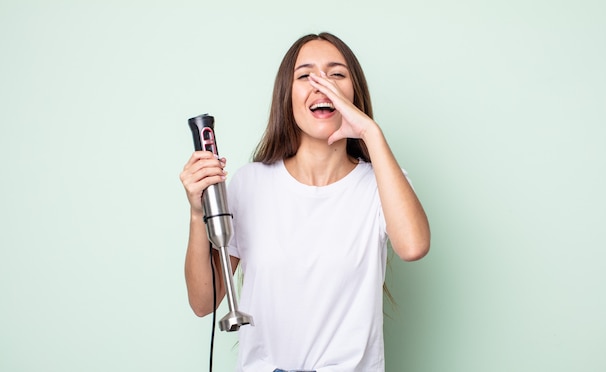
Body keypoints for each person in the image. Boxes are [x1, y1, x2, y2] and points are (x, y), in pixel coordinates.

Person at [179, 32, 430, 372]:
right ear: (287, 95)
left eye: (336, 74)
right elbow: (204, 302)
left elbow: (413, 246)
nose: (322, 85)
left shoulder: (381, 183)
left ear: (354, 94)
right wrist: (198, 213)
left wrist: (371, 133)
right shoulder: (250, 183)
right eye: (306, 75)